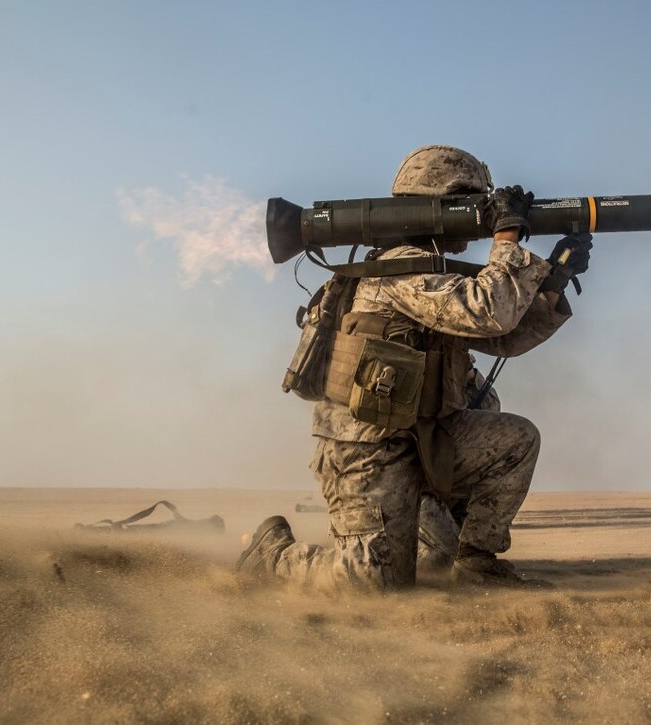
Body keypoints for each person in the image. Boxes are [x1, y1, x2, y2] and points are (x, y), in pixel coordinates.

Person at [238, 145, 591, 589]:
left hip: (425, 440)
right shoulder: (397, 270)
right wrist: (507, 241)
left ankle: (476, 560)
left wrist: (554, 282)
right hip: (369, 449)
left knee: (514, 443)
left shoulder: (436, 273)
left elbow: (504, 338)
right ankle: (273, 554)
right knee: (370, 585)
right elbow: (488, 312)